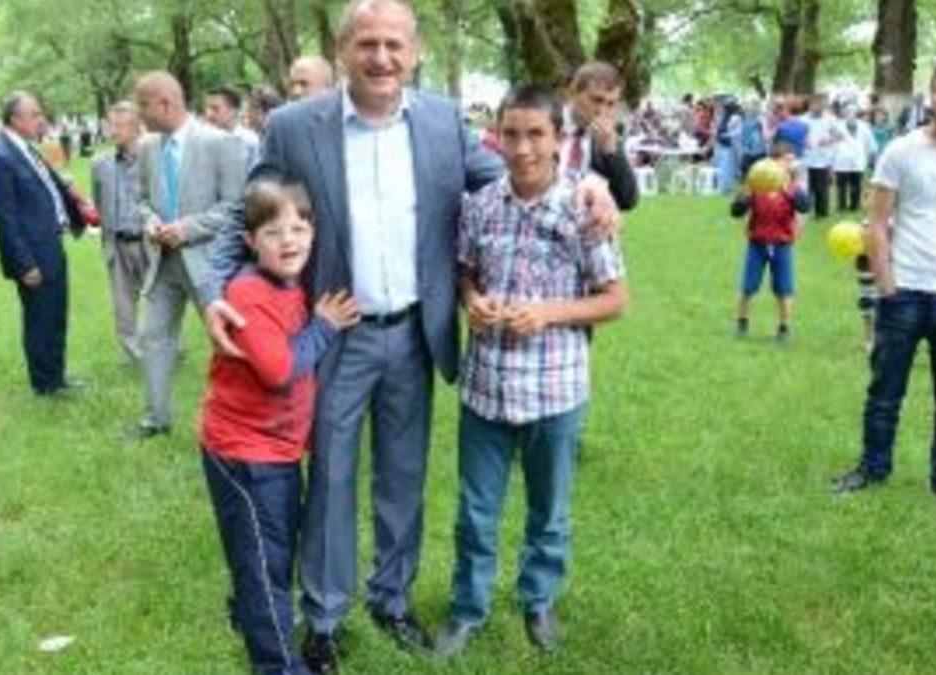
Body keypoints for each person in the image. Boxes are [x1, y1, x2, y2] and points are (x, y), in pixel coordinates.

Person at [199, 1, 619, 670]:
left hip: (415, 333)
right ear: (343, 50)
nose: (381, 57)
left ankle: (391, 599)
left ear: (415, 51)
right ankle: (325, 616)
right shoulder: (294, 125)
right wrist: (215, 294)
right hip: (338, 330)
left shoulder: (442, 121)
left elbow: (517, 174)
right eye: (367, 43)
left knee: (402, 477)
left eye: (394, 44)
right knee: (332, 477)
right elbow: (241, 216)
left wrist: (589, 182)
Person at [434, 84, 628, 656]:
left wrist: (547, 313)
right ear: (496, 136)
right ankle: (467, 609)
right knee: (475, 511)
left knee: (549, 510)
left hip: (554, 389)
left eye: (535, 134)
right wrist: (473, 300)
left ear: (558, 138)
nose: (522, 149)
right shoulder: (480, 205)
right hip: (486, 388)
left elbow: (615, 299)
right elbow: (466, 272)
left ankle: (538, 599)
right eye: (511, 134)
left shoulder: (583, 209)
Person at [199, 180, 359, 675]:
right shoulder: (248, 293)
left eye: (298, 228)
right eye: (272, 232)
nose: (288, 240)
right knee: (266, 566)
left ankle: (248, 613)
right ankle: (277, 664)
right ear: (250, 241)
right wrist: (324, 326)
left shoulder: (292, 283)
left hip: (277, 451)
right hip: (244, 454)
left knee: (268, 552)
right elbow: (279, 370)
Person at [833, 54, 936, 507]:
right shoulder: (902, 150)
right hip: (903, 292)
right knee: (884, 392)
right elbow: (876, 222)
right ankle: (872, 468)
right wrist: (887, 285)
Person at [131, 72, 246, 437]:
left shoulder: (220, 143)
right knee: (152, 336)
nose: (138, 113)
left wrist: (188, 229)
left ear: (166, 102)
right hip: (163, 262)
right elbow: (141, 200)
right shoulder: (147, 147)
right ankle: (156, 419)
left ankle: (240, 420)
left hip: (208, 264)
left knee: (225, 342)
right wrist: (151, 223)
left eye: (143, 105)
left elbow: (237, 207)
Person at [0, 92, 87, 396]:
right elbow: (5, 219)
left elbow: (47, 186)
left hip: (51, 243)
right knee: (40, 317)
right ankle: (45, 383)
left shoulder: (26, 147)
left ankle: (57, 377)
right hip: (33, 254)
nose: (41, 119)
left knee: (56, 313)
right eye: (35, 114)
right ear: (16, 119)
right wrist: (24, 264)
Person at [732, 141, 810, 342]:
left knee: (784, 289)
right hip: (757, 244)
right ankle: (742, 322)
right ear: (774, 162)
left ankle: (784, 327)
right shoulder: (758, 184)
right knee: (748, 286)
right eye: (787, 160)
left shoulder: (790, 187)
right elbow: (736, 211)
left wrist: (790, 188)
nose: (791, 164)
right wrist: (744, 195)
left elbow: (804, 206)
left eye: (792, 160)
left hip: (782, 244)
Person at [91, 101, 149, 364]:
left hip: (149, 241)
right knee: (123, 302)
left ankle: (167, 344)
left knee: (160, 298)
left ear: (136, 127)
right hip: (117, 243)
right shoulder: (99, 163)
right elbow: (98, 203)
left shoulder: (153, 159)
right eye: (110, 125)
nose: (113, 131)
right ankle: (132, 352)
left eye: (120, 125)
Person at [562, 61, 639, 211]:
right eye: (597, 100)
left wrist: (612, 153)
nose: (602, 111)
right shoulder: (547, 125)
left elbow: (627, 200)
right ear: (573, 94)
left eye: (610, 104)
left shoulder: (608, 138)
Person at [205, 86, 260, 169]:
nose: (209, 114)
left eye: (215, 109)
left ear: (232, 111)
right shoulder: (201, 141)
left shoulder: (250, 141)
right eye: (207, 108)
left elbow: (256, 173)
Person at [833, 111, 876, 213]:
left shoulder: (863, 126)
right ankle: (842, 206)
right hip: (842, 159)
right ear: (844, 114)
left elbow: (870, 143)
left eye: (852, 113)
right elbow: (832, 141)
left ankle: (854, 205)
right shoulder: (838, 126)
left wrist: (871, 155)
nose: (850, 115)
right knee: (842, 185)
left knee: (856, 184)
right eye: (848, 112)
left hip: (858, 159)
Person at [803, 94, 838, 218]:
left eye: (821, 105)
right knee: (807, 186)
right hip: (807, 158)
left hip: (823, 158)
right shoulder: (803, 120)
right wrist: (805, 140)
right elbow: (799, 135)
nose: (818, 107)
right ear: (810, 105)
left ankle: (821, 212)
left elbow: (839, 135)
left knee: (821, 187)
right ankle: (805, 210)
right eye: (816, 104)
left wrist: (828, 140)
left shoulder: (830, 119)